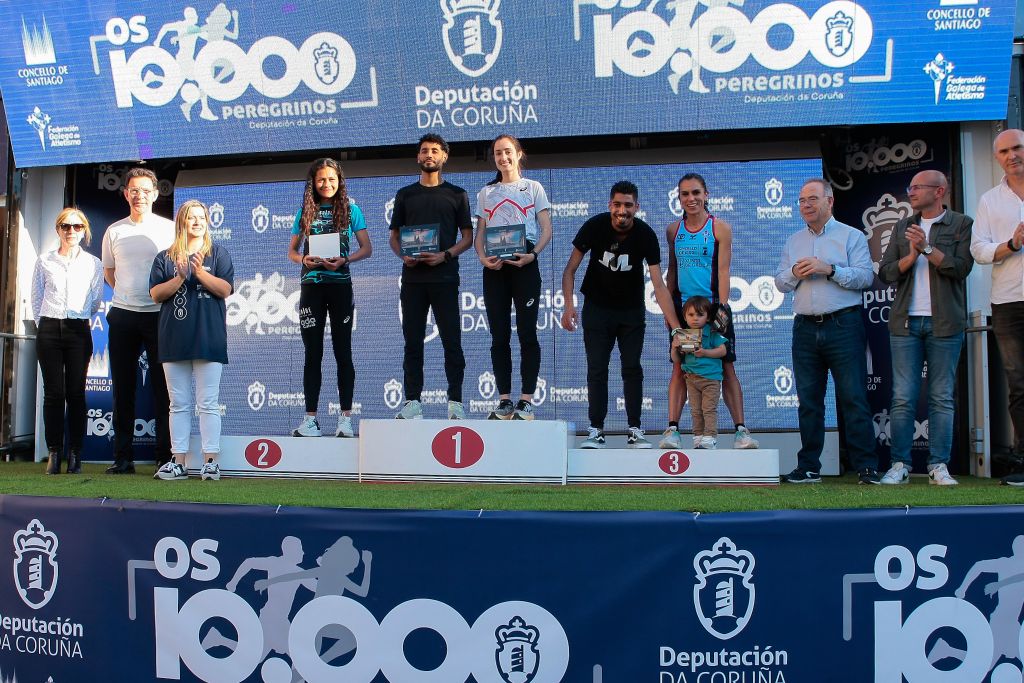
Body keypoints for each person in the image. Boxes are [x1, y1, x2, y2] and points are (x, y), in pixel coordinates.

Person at [560, 180, 686, 449]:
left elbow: (659, 283)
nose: (622, 210)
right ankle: (596, 430)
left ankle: (635, 429)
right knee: (597, 369)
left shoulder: (646, 235)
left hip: (631, 312)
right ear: (610, 205)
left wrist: (676, 327)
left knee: (632, 368)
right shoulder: (594, 226)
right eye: (617, 204)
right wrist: (569, 305)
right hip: (597, 309)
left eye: (628, 205)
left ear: (636, 207)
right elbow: (569, 269)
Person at [774, 178, 879, 484]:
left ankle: (866, 467)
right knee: (808, 401)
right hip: (804, 327)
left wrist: (829, 269)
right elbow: (780, 283)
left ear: (829, 201)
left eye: (812, 199)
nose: (806, 205)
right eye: (801, 200)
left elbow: (864, 279)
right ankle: (808, 466)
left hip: (843, 324)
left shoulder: (851, 236)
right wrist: (794, 273)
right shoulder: (793, 241)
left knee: (853, 397)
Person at [878, 171, 973, 486]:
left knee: (941, 396)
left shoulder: (961, 224)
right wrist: (913, 255)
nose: (912, 192)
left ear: (940, 190)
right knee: (903, 396)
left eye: (918, 187)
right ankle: (900, 465)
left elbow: (961, 268)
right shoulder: (903, 226)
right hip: (906, 321)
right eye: (911, 187)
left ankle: (938, 466)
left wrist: (929, 249)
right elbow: (887, 272)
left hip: (945, 321)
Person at [660, 173, 759, 450]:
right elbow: (672, 273)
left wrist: (722, 310)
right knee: (681, 367)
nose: (690, 199)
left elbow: (724, 270)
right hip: (684, 314)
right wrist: (671, 312)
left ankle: (741, 431)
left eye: (695, 193)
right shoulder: (673, 231)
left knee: (725, 366)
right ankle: (673, 430)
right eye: (685, 194)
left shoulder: (720, 229)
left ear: (706, 195)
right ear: (678, 198)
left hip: (713, 309)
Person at [388, 133, 473, 419]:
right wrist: (404, 256)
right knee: (412, 342)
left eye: (435, 151)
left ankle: (456, 402)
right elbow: (394, 236)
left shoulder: (457, 194)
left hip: (445, 278)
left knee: (452, 341)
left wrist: (444, 255)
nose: (429, 155)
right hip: (413, 281)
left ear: (444, 157)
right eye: (424, 150)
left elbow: (468, 238)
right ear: (417, 157)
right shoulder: (405, 194)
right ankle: (412, 401)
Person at [149, 200, 234, 481]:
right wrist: (181, 278)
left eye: (201, 218)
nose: (196, 222)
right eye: (191, 218)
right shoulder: (165, 257)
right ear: (181, 223)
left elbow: (225, 289)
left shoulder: (218, 254)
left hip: (209, 337)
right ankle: (179, 461)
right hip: (174, 338)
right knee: (179, 404)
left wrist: (198, 273)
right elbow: (156, 294)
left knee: (208, 402)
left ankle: (211, 461)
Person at [287, 158, 371, 438]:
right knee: (313, 354)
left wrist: (345, 259)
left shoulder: (351, 210)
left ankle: (345, 419)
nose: (327, 185)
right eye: (322, 180)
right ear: (313, 182)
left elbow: (367, 248)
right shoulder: (305, 211)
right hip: (311, 287)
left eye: (332, 180)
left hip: (340, 287)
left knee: (342, 352)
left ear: (340, 182)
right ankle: (310, 420)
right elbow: (292, 253)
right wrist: (304, 259)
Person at [101, 168, 175, 474]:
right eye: (134, 190)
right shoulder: (114, 230)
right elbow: (109, 272)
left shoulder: (170, 229)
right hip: (122, 315)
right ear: (125, 193)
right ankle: (123, 458)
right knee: (123, 388)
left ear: (156, 194)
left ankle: (165, 457)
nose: (139, 196)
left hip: (160, 315)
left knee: (164, 389)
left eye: (146, 190)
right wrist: (127, 295)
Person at [475, 134, 552, 420]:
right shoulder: (486, 192)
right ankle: (504, 400)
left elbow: (546, 229)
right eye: (497, 153)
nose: (503, 157)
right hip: (495, 268)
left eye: (508, 152)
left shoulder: (533, 188)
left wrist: (534, 255)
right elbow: (480, 233)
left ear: (519, 154)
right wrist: (483, 258)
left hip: (525, 263)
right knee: (499, 336)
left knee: (528, 333)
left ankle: (526, 401)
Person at [31, 208, 103, 474]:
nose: (71, 231)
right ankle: (53, 452)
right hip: (49, 327)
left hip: (78, 329)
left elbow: (95, 301)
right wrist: (46, 325)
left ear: (84, 230)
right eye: (65, 226)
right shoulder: (44, 260)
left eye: (76, 226)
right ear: (58, 229)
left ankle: (75, 453)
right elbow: (37, 298)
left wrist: (75, 317)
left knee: (75, 393)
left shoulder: (93, 263)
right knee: (53, 393)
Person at [970, 129, 1024, 486]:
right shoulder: (991, 200)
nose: (1012, 155)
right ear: (997, 158)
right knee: (1019, 384)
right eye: (1004, 151)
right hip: (1008, 301)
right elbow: (979, 250)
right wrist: (1012, 243)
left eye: (1017, 147)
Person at [677, 296, 728, 448]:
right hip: (691, 379)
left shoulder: (712, 332)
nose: (695, 319)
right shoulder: (685, 335)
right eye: (691, 315)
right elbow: (676, 358)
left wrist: (705, 352)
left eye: (700, 315)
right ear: (685, 317)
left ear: (707, 317)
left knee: (708, 409)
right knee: (695, 410)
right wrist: (675, 347)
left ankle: (710, 436)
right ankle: (698, 436)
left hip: (710, 379)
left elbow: (723, 350)